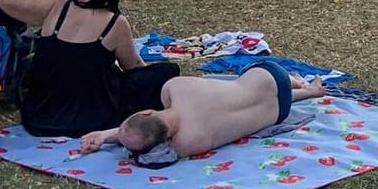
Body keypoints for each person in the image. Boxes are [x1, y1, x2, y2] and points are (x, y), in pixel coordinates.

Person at [0, 0, 179, 138]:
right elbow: (132, 66)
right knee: (167, 72)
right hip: (95, 118)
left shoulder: (55, 7)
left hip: (40, 116)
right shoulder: (115, 22)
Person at [78, 65, 327, 163]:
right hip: (268, 76)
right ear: (148, 111)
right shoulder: (174, 87)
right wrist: (106, 133)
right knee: (249, 90)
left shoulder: (190, 142)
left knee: (261, 104)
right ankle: (298, 84)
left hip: (279, 113)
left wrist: (104, 136)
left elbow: (153, 148)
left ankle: (307, 92)